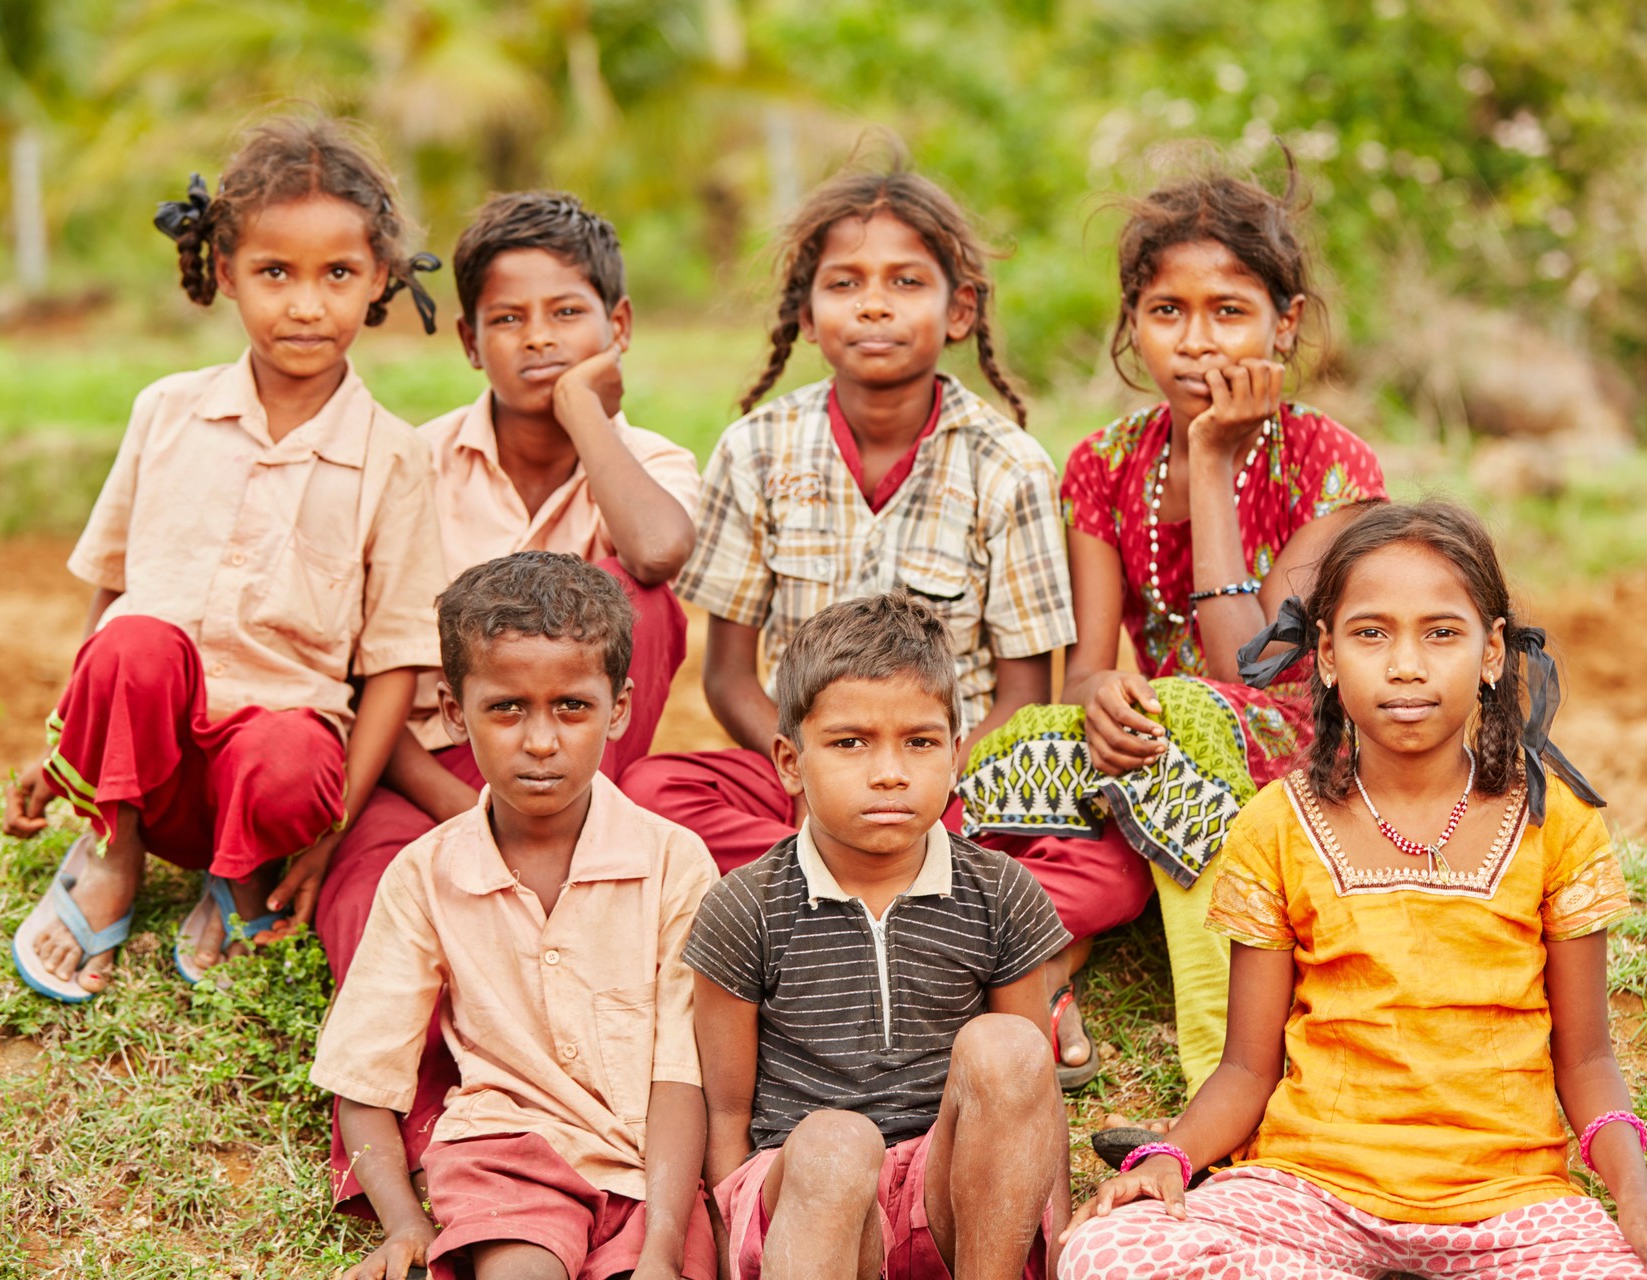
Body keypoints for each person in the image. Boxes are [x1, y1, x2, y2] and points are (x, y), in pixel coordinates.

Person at [1056, 501, 1647, 1280]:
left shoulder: (1558, 825)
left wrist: (1637, 1200)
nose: (1405, 664)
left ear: (1492, 653)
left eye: (1441, 633)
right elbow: (1248, 1069)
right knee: (1109, 1251)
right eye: (1371, 633)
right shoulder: (1278, 825)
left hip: (1510, 1204)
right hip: (1312, 1193)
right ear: (1325, 655)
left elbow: (1586, 1061)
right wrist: (1169, 1157)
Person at [957, 152, 1386, 1092]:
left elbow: (1260, 669)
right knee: (1009, 751)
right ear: (1132, 325)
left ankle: (1182, 1041)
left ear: (1287, 322)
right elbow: (1083, 674)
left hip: (1288, 754)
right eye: (1167, 312)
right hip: (1150, 749)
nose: (1197, 342)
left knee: (1188, 714)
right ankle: (1028, 952)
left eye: (1229, 312)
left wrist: (1213, 462)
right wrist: (1103, 694)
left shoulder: (1330, 465)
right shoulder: (1102, 465)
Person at [4, 115, 447, 1001]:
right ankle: (112, 857)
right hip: (149, 772)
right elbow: (111, 599)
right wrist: (68, 749)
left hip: (276, 784)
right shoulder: (165, 411)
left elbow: (395, 666)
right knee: (137, 641)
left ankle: (236, 876)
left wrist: (335, 827)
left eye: (338, 274)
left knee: (285, 748)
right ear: (225, 271)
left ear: (381, 281)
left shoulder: (396, 458)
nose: (307, 304)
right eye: (275, 272)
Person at [316, 191, 700, 1210]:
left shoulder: (647, 464)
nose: (538, 339)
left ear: (616, 328)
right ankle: (448, 1139)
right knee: (373, 896)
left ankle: (611, 1112)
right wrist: (469, 826)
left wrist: (584, 409)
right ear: (467, 341)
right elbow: (378, 677)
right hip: (429, 767)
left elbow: (660, 551)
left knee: (635, 599)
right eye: (507, 319)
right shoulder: (409, 463)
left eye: (567, 314)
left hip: (589, 786)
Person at [619, 166, 1075, 878]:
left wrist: (926, 787)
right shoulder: (756, 449)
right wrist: (815, 778)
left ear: (960, 311)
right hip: (799, 777)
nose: (872, 306)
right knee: (652, 794)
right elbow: (730, 677)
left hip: (951, 785)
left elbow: (1023, 697)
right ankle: (903, 897)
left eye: (906, 282)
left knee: (1091, 854)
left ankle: (823, 889)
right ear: (805, 314)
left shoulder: (1009, 466)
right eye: (843, 283)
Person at [311, 552, 719, 1280]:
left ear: (618, 707)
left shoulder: (674, 864)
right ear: (450, 710)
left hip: (649, 1170)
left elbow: (679, 1077)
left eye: (573, 707)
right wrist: (404, 1222)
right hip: (507, 1157)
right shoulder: (425, 875)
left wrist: (662, 1247)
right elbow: (365, 1081)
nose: (540, 741)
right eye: (506, 708)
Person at [687, 593, 1073, 1280]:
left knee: (1011, 1046)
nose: (890, 772)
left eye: (919, 742)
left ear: (955, 755)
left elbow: (1031, 1094)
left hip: (947, 1196)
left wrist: (1060, 1242)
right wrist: (725, 1251)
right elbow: (725, 1115)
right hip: (810, 1204)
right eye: (850, 742)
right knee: (837, 1144)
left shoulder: (1000, 892)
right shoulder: (744, 907)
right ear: (789, 761)